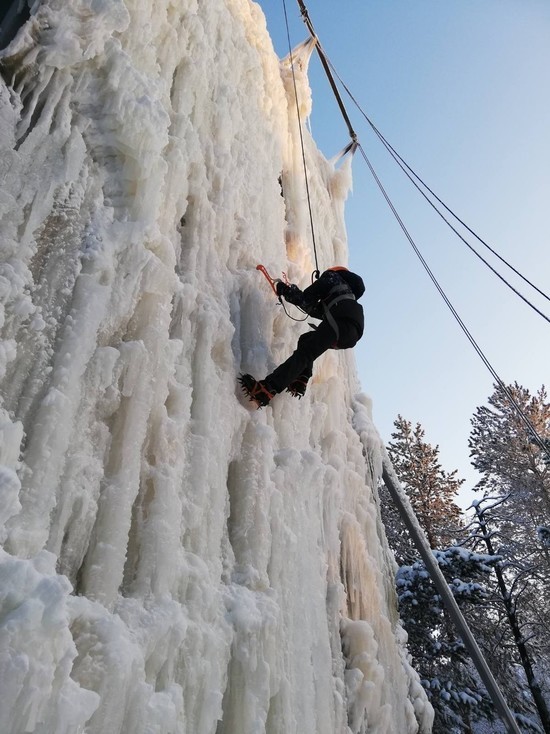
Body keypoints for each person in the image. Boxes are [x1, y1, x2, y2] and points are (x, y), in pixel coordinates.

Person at [239, 266, 365, 407]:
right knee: (306, 340)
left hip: (339, 323)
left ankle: (266, 389)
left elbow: (305, 300)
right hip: (350, 333)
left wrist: (283, 289)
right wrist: (291, 293)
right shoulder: (345, 295)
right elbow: (313, 310)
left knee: (305, 353)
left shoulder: (332, 278)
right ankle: (300, 380)